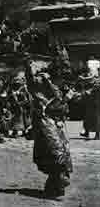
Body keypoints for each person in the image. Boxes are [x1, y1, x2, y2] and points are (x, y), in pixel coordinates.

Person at [25, 59, 72, 199]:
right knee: (55, 153)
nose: (63, 72)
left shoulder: (62, 84)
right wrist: (28, 67)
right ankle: (56, 183)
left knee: (64, 153)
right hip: (46, 122)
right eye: (61, 69)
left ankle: (54, 187)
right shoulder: (42, 80)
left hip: (58, 123)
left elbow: (68, 99)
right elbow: (31, 84)